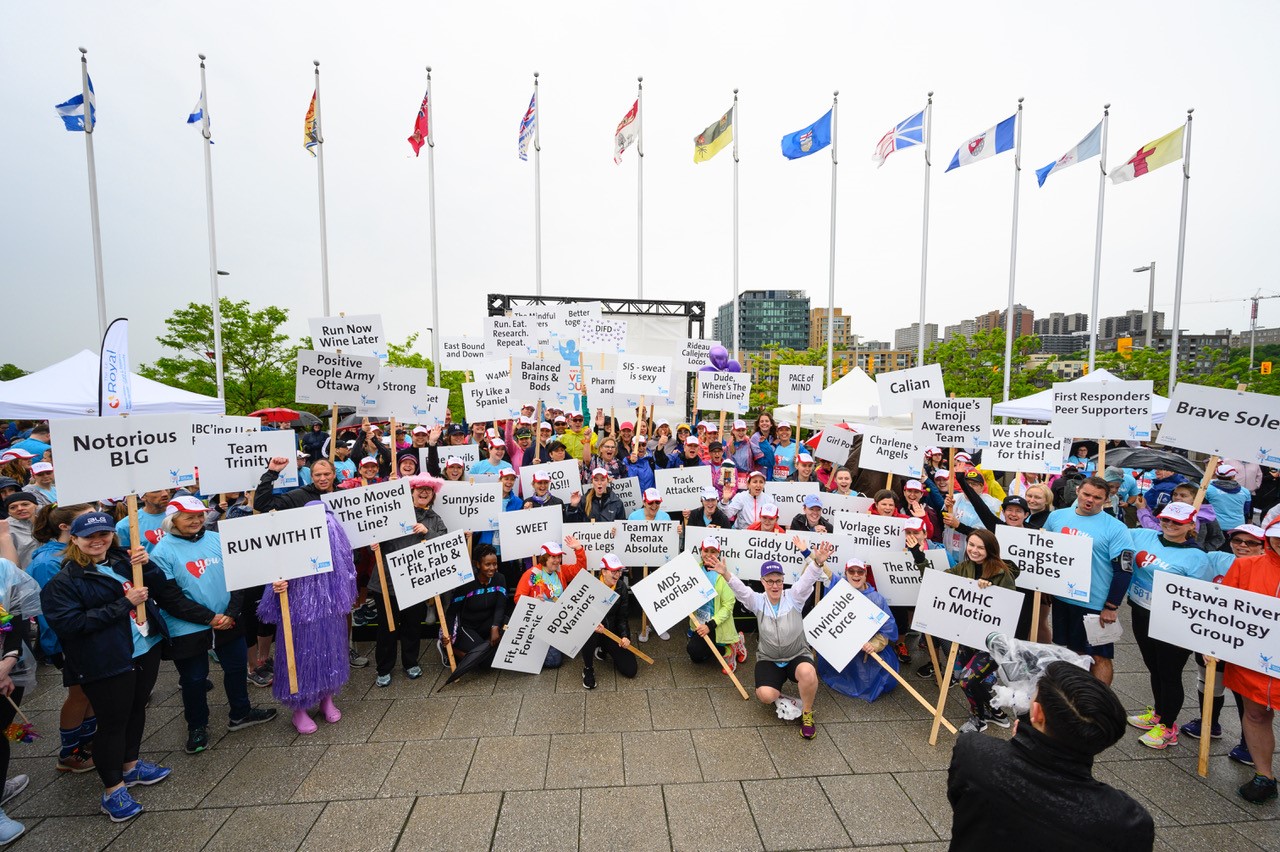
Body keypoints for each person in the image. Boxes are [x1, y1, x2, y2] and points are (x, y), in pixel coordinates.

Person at [41, 512, 216, 822]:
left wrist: (146, 565)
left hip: (143, 648)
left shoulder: (124, 560)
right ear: (74, 539)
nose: (98, 541)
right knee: (112, 722)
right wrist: (124, 603)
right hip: (106, 659)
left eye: (104, 534)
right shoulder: (64, 581)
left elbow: (159, 586)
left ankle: (131, 765)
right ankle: (113, 790)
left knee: (137, 709)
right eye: (89, 536)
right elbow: (70, 625)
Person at [946, 660, 1155, 851]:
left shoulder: (974, 753)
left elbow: (963, 801)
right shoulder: (1127, 820)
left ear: (1036, 713)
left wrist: (1021, 745)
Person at [147, 496, 277, 754]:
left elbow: (238, 579)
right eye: (188, 517)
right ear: (172, 520)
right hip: (189, 628)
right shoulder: (161, 552)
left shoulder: (218, 540)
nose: (196, 521)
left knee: (237, 668)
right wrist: (209, 618)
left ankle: (241, 712)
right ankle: (196, 726)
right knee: (194, 679)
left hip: (229, 621)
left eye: (199, 516)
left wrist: (230, 612)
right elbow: (169, 597)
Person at [707, 539, 833, 738]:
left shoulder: (794, 597)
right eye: (770, 581)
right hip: (769, 659)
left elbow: (807, 580)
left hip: (796, 655)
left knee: (808, 672)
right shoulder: (757, 601)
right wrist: (725, 573)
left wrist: (817, 563)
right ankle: (784, 696)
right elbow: (741, 590)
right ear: (763, 581)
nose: (775, 585)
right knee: (766, 696)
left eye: (779, 580)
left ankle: (807, 712)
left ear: (783, 581)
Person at [257, 502, 357, 735]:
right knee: (301, 655)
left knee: (330, 653)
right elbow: (273, 573)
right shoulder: (290, 542)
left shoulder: (335, 537)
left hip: (329, 609)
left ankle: (326, 698)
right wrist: (277, 586)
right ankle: (299, 708)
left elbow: (348, 571)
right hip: (298, 611)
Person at [1179, 523, 1263, 761]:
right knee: (1208, 681)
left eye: (1251, 543)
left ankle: (1249, 743)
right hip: (1212, 634)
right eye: (1238, 541)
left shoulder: (1267, 570)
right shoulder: (1216, 558)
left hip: (1247, 643)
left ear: (1263, 546)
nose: (1243, 546)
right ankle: (1209, 724)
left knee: (1244, 693)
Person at [27, 503, 98, 774]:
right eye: (87, 517)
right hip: (67, 641)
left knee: (91, 692)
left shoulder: (76, 551)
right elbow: (51, 612)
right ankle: (69, 753)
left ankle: (87, 742)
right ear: (65, 527)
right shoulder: (47, 563)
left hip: (88, 636)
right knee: (78, 695)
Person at [1046, 477, 1132, 685]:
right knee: (1071, 652)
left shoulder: (1116, 528)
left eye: (1097, 497)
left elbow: (1124, 569)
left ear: (1106, 499)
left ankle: (1101, 704)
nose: (1090, 500)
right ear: (1078, 491)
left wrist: (1111, 605)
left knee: (1100, 656)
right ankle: (1076, 697)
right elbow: (1046, 552)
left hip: (1095, 603)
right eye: (1086, 494)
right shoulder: (1057, 517)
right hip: (1063, 598)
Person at [1220, 520, 1280, 803]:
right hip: (1252, 663)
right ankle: (1264, 776)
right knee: (1255, 715)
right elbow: (1224, 611)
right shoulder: (1245, 567)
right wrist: (1214, 643)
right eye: (1276, 536)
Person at [370, 475, 448, 688]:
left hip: (417, 582)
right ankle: (384, 668)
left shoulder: (435, 519)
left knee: (412, 625)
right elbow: (376, 531)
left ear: (433, 494)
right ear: (411, 491)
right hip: (387, 581)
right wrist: (374, 541)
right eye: (420, 489)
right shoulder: (395, 513)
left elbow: (444, 545)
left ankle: (410, 663)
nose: (424, 492)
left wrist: (428, 532)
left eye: (428, 490)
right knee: (387, 627)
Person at [939, 530, 1020, 734]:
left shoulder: (1002, 573)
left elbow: (1007, 607)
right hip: (968, 636)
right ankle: (995, 711)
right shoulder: (964, 567)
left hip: (992, 643)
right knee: (973, 679)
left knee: (966, 680)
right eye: (971, 545)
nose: (974, 550)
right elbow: (938, 583)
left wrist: (992, 588)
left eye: (980, 547)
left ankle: (978, 718)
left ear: (990, 550)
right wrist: (918, 556)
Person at [0, 548, 42, 842]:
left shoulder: (3, 569)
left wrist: (7, 662)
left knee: (3, 727)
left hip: (6, 668)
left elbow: (17, 614)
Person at [816, 557, 899, 702]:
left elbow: (887, 630)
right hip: (842, 647)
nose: (856, 575)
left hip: (864, 653)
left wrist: (874, 645)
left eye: (860, 572)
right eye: (852, 571)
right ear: (846, 573)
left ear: (865, 574)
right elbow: (825, 571)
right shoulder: (840, 588)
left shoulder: (877, 599)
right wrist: (808, 553)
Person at [514, 537, 587, 669]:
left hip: (558, 619)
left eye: (559, 557)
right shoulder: (533, 574)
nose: (557, 560)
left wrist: (579, 549)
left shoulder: (560, 571)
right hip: (540, 622)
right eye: (553, 557)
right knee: (555, 661)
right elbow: (518, 598)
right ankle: (532, 653)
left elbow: (579, 571)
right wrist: (533, 602)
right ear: (544, 558)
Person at [686, 537, 746, 670]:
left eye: (713, 551)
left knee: (705, 648)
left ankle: (733, 646)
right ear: (701, 551)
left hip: (717, 623)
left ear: (718, 553)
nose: (709, 554)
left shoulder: (723, 575)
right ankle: (724, 644)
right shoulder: (694, 570)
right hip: (700, 623)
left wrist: (711, 624)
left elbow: (729, 605)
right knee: (695, 654)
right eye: (706, 550)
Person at [580, 554, 638, 689]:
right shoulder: (591, 585)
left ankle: (603, 649)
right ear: (603, 571)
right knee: (589, 633)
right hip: (592, 631)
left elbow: (622, 617)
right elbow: (581, 615)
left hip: (610, 632)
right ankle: (588, 668)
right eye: (613, 571)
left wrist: (625, 636)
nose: (617, 575)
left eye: (619, 571)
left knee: (630, 670)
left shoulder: (621, 587)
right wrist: (592, 623)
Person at [2, 494, 37, 569]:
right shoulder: (4, 530)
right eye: (13, 507)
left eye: (25, 504)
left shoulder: (46, 523)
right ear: (8, 512)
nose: (20, 508)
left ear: (36, 505)